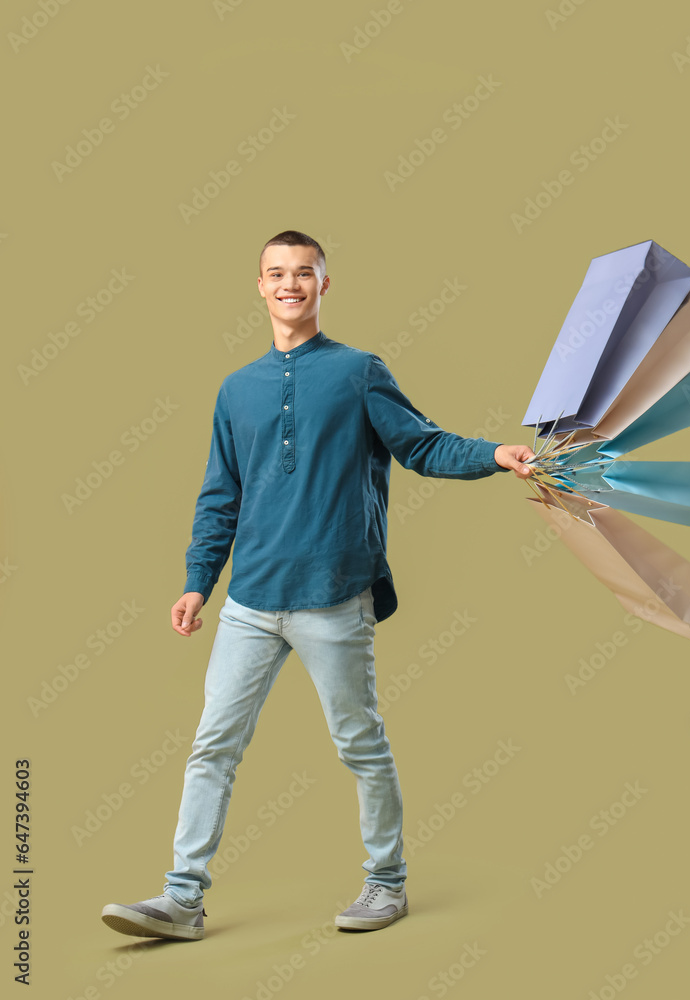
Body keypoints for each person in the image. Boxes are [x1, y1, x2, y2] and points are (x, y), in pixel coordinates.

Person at [101, 230, 535, 941]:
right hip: (249, 603)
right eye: (276, 273)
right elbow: (221, 494)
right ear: (261, 286)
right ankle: (182, 900)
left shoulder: (359, 371)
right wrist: (197, 582)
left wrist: (495, 454)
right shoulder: (235, 389)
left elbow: (422, 444)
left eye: (304, 273)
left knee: (358, 742)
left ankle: (386, 883)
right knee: (213, 746)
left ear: (324, 286)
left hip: (334, 595)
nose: (289, 284)